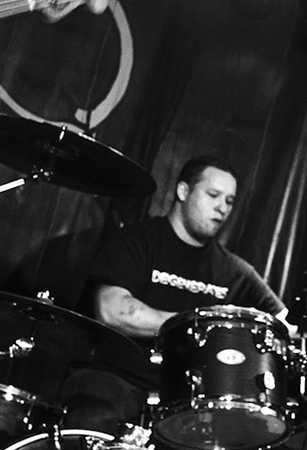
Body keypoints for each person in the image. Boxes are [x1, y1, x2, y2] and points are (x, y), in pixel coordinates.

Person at [68, 155, 289, 433]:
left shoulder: (235, 271)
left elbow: (286, 323)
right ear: (183, 191)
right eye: (213, 195)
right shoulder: (137, 241)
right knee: (95, 409)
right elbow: (112, 311)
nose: (222, 208)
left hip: (192, 398)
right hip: (120, 380)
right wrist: (195, 327)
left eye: (230, 201)